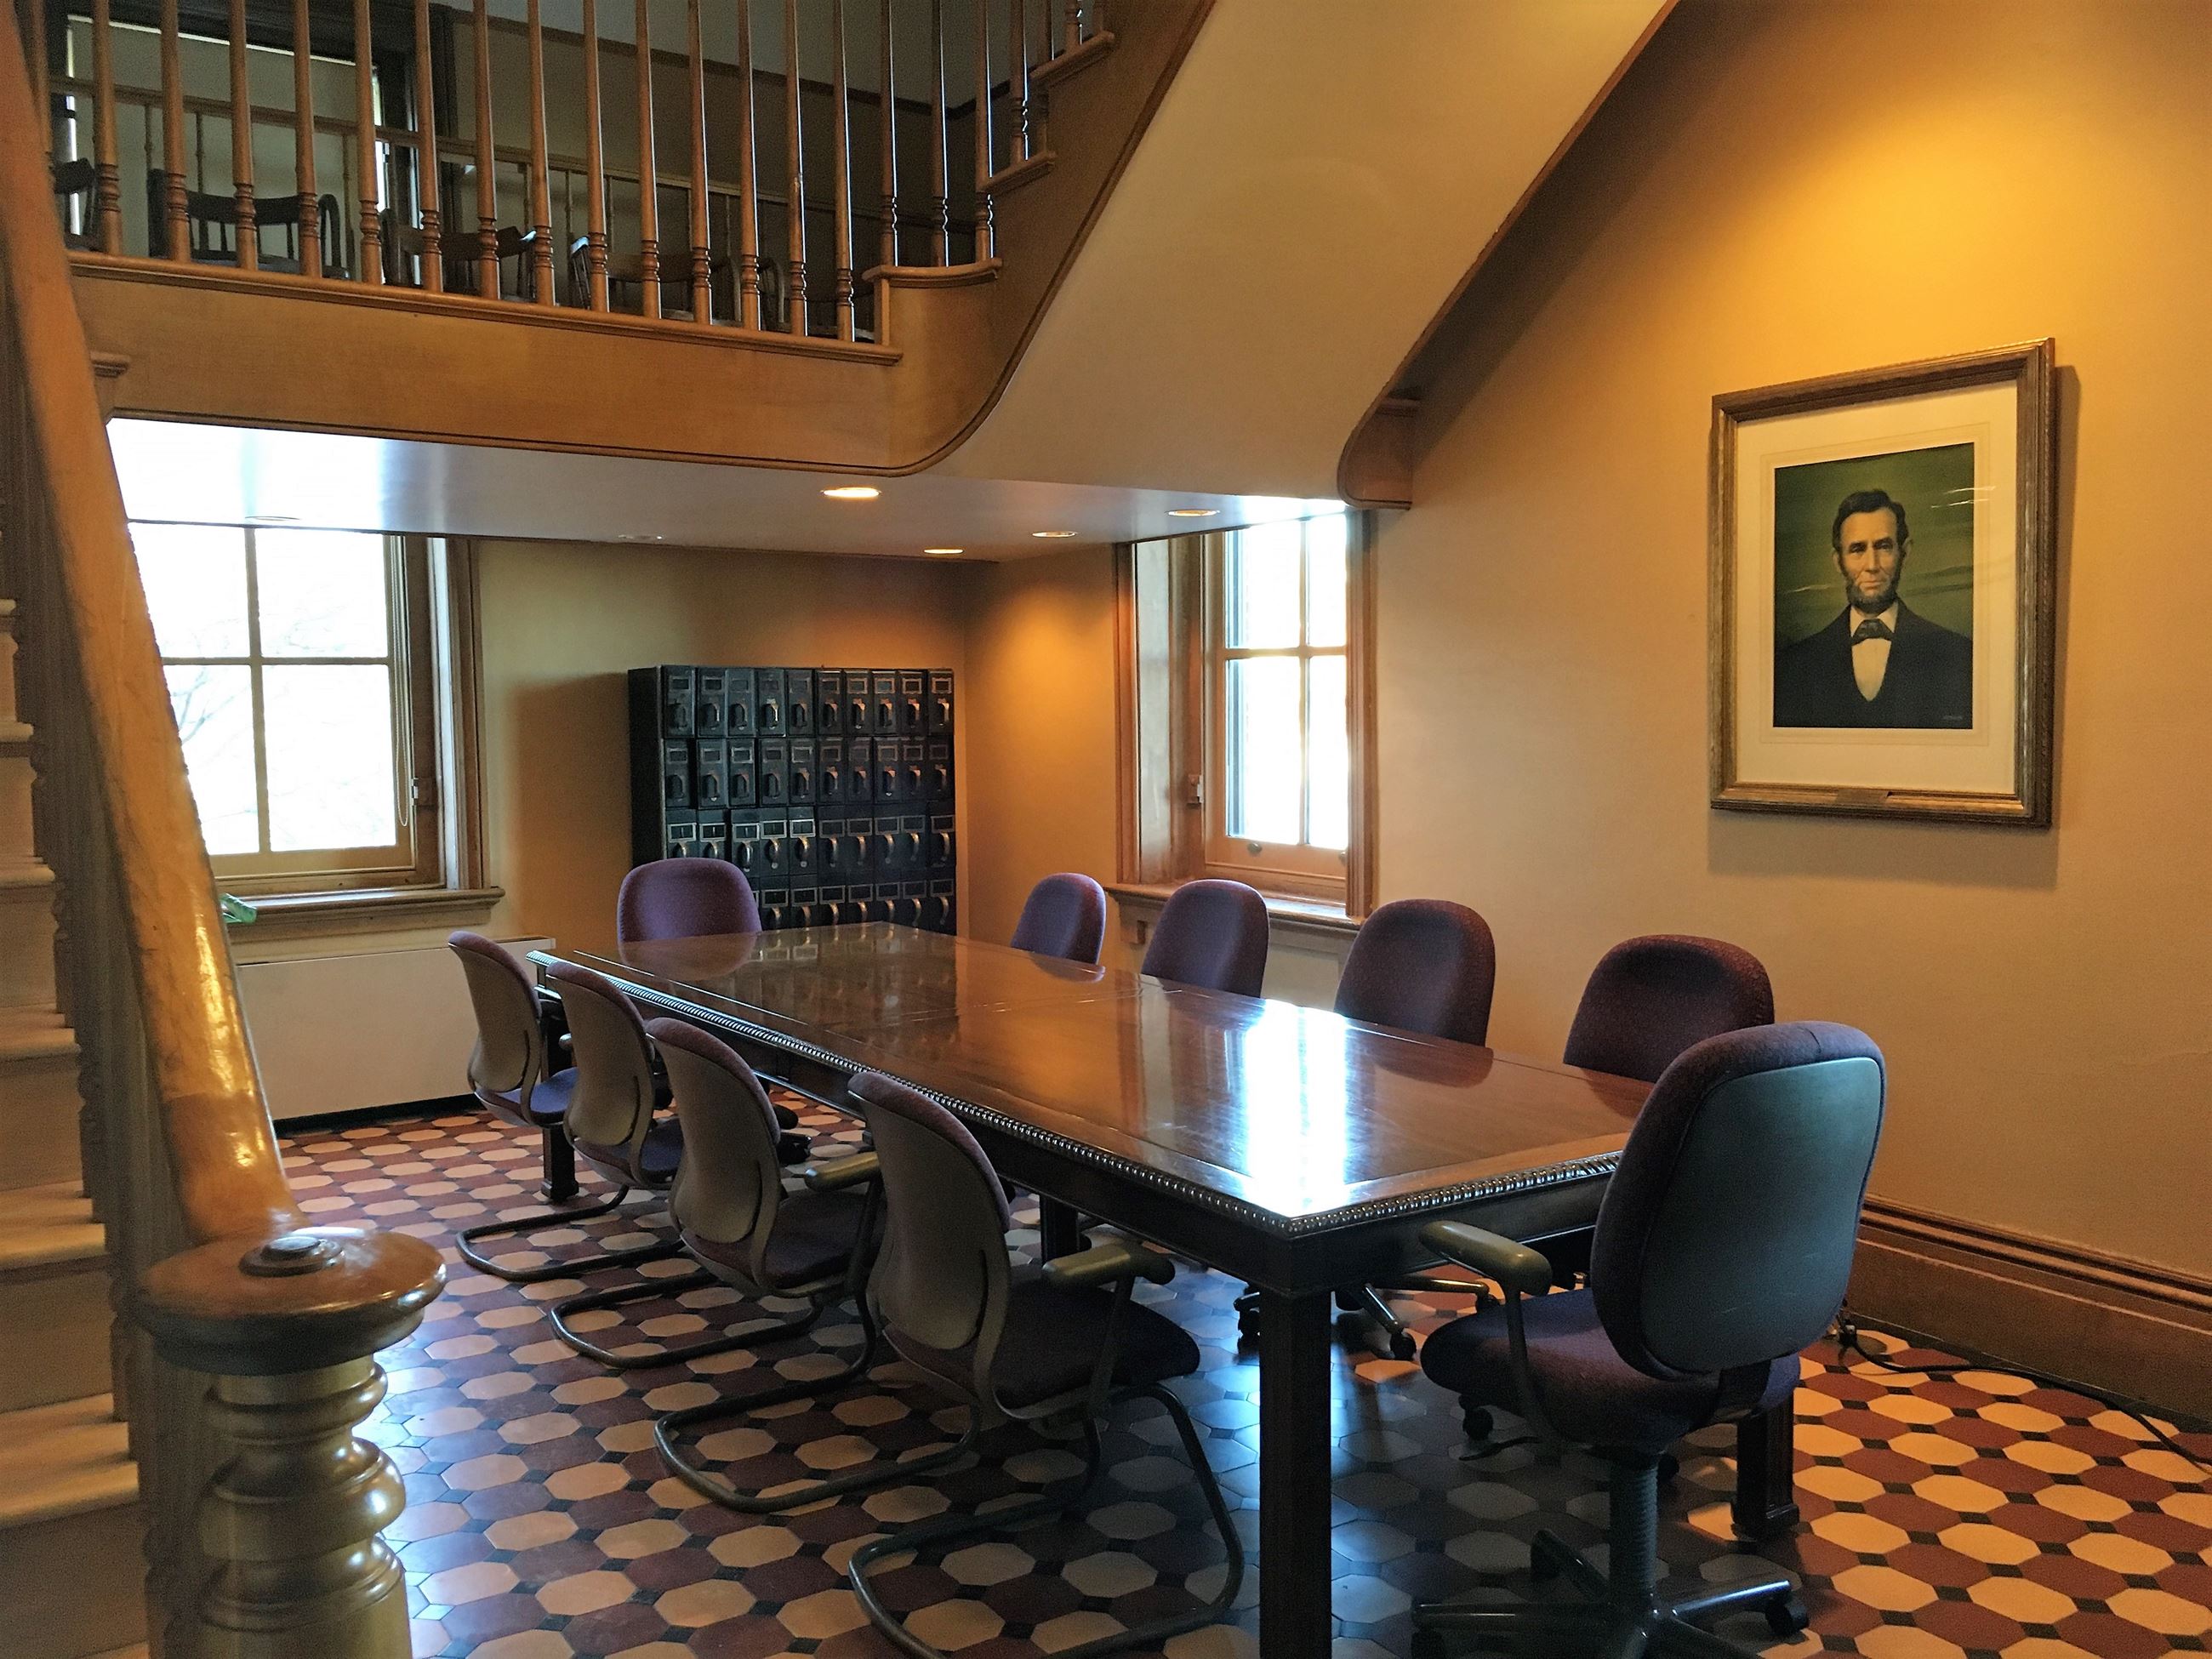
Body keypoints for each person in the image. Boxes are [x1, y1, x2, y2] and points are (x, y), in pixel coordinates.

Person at [1772, 488, 1972, 728]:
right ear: (1839, 562)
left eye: (1884, 546)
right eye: (1857, 549)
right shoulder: (1794, 666)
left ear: (1905, 553)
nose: (1872, 565)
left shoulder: (1957, 655)